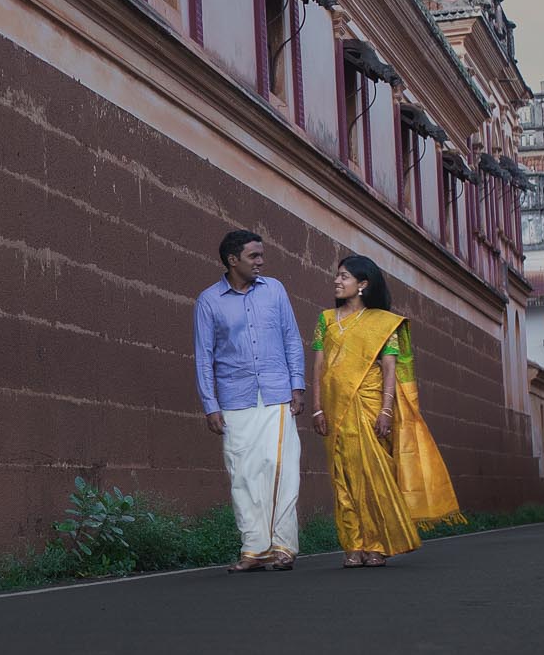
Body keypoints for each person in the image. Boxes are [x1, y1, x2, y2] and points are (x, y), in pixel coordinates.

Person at [310, 255, 465, 567]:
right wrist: (316, 409)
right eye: (337, 276)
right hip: (334, 408)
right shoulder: (325, 319)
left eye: (344, 276)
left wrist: (386, 410)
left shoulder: (383, 324)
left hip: (369, 406)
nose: (337, 281)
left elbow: (390, 370)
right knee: (344, 479)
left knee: (374, 476)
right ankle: (353, 545)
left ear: (363, 284)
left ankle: (378, 544)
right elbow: (318, 368)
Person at [194, 230, 306, 572]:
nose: (261, 261)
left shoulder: (274, 290)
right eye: (253, 256)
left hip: (276, 393)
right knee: (242, 473)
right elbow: (203, 356)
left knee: (279, 467)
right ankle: (254, 549)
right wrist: (210, 404)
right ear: (232, 260)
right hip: (234, 397)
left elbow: (291, 337)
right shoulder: (209, 301)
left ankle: (283, 546)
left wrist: (297, 385)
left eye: (261, 255)